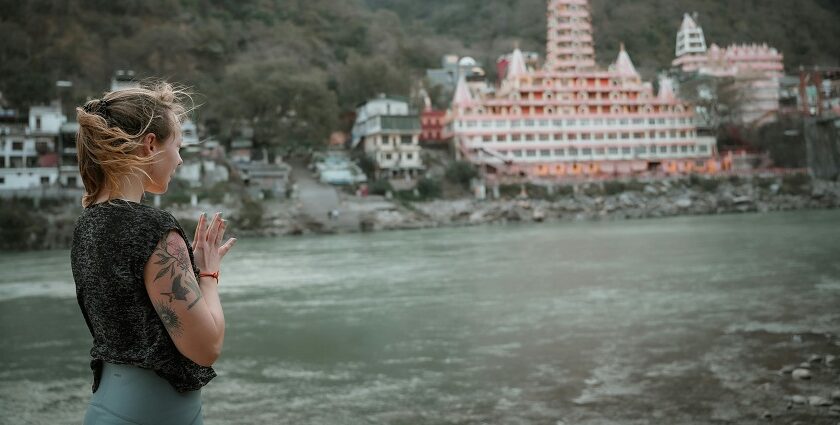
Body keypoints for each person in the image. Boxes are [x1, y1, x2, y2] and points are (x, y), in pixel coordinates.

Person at [70, 82, 236, 425]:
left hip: (106, 408)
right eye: (177, 146)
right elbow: (206, 349)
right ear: (150, 145)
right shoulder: (152, 229)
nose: (179, 158)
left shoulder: (86, 226)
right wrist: (208, 274)